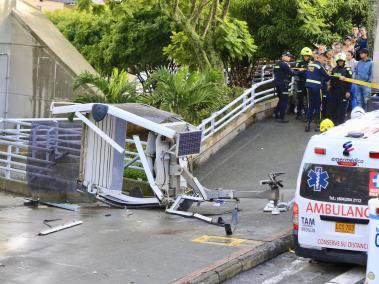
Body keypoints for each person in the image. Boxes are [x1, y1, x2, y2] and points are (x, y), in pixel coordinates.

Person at [305, 52, 330, 132]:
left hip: (308, 87)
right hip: (317, 88)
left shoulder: (310, 65)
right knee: (318, 106)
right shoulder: (319, 66)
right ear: (320, 58)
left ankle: (308, 123)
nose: (325, 62)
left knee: (310, 105)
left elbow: (307, 74)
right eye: (325, 60)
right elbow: (327, 76)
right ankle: (318, 124)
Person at [328, 53, 352, 125]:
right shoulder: (334, 69)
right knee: (333, 108)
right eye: (339, 61)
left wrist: (348, 91)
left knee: (342, 109)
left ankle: (341, 124)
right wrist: (329, 85)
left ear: (344, 61)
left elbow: (350, 81)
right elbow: (331, 78)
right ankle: (333, 123)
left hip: (343, 91)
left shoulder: (347, 69)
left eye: (341, 61)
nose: (340, 62)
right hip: (334, 91)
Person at [273, 51, 295, 123]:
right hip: (283, 84)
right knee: (284, 100)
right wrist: (299, 72)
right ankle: (281, 117)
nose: (289, 57)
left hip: (277, 84)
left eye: (290, 56)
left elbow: (275, 72)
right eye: (288, 56)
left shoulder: (277, 63)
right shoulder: (285, 64)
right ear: (283, 56)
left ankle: (276, 114)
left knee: (281, 99)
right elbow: (291, 73)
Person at [295, 47, 313, 120]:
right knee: (300, 99)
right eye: (305, 56)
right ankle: (298, 114)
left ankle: (307, 115)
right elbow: (295, 72)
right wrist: (300, 71)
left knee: (308, 99)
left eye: (308, 56)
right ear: (302, 56)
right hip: (300, 83)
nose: (306, 57)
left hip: (309, 84)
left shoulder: (312, 63)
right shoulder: (299, 63)